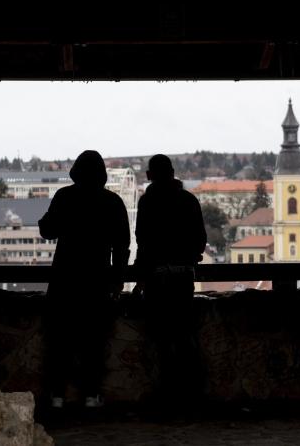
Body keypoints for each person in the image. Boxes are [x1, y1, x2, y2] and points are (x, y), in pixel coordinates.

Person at [38, 150, 130, 410]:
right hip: (97, 279)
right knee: (93, 342)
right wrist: (118, 280)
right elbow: (121, 246)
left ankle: (56, 396)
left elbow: (47, 230)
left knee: (59, 342)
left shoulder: (65, 197)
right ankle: (91, 395)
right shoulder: (112, 202)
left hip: (64, 278)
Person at [134, 154, 207, 409]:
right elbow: (200, 240)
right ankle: (192, 393)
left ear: (149, 176)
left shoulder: (147, 203)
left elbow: (143, 242)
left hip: (157, 279)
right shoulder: (188, 201)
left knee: (163, 338)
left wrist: (139, 279)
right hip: (183, 277)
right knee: (184, 333)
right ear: (173, 172)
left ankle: (168, 395)